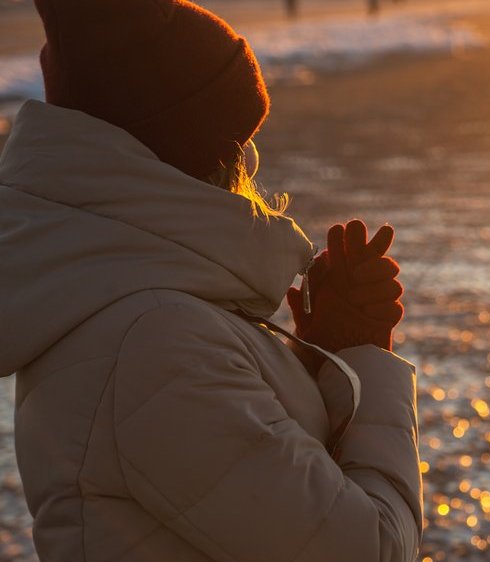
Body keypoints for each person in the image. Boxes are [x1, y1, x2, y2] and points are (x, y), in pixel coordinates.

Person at [0, 1, 422, 561]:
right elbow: (370, 549)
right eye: (237, 143)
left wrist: (327, 362)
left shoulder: (126, 303)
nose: (248, 166)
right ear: (195, 157)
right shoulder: (155, 344)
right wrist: (365, 355)